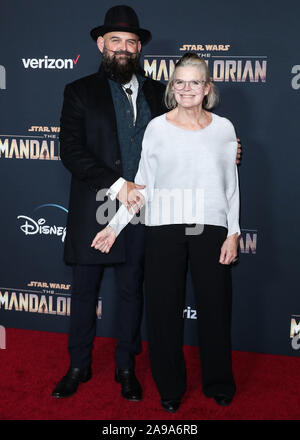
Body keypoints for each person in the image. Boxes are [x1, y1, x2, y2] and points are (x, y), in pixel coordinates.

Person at [92, 52, 241, 413]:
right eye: (179, 82)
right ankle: (170, 386)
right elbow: (144, 185)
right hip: (164, 227)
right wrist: (113, 226)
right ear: (172, 87)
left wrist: (233, 233)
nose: (186, 89)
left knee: (216, 309)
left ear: (207, 88)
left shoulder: (224, 129)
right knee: (163, 312)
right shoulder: (157, 128)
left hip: (211, 228)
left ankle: (218, 382)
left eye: (194, 82)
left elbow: (231, 186)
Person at [52, 5, 167, 401]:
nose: (123, 47)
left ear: (139, 48)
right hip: (94, 207)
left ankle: (125, 366)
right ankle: (78, 365)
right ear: (101, 44)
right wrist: (117, 185)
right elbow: (71, 150)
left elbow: (183, 140)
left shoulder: (159, 92)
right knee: (84, 290)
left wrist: (225, 148)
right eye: (115, 40)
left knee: (132, 290)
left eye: (130, 41)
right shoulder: (79, 91)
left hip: (143, 211)